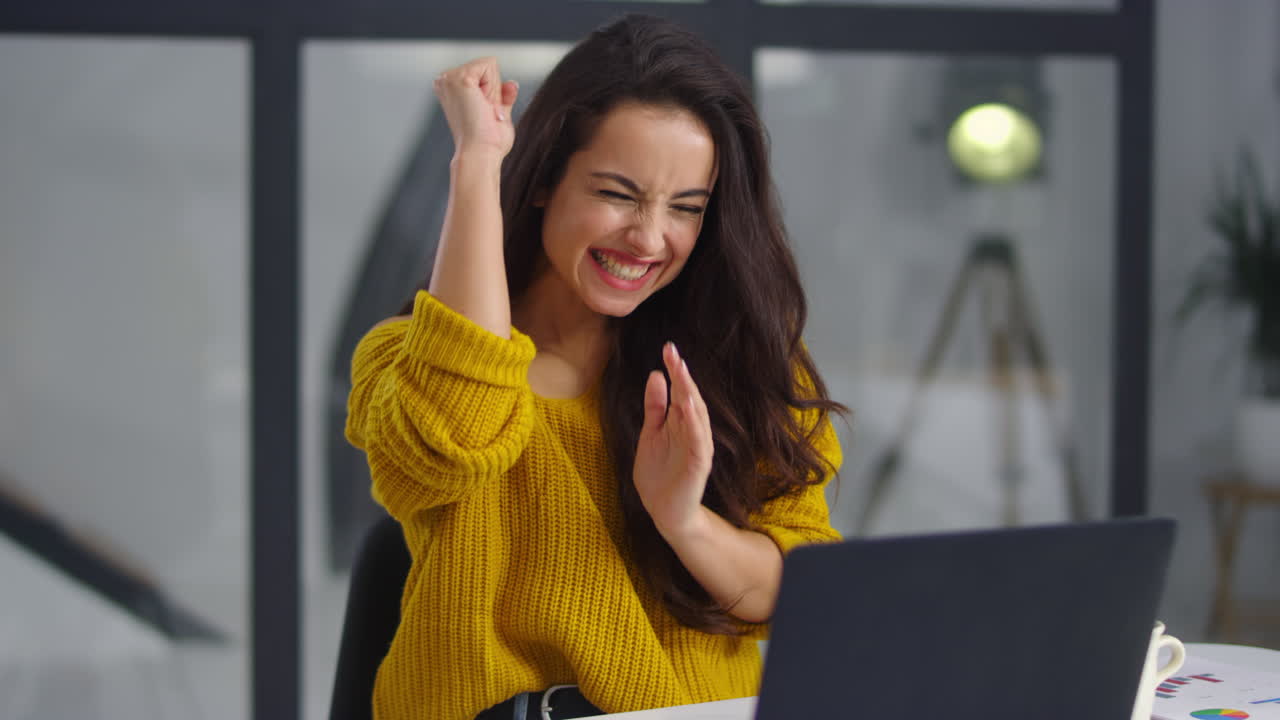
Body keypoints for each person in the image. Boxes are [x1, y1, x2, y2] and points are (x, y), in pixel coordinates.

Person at [345, 13, 846, 720]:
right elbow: (449, 439)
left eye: (686, 208)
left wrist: (684, 521)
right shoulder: (405, 357)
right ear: (545, 177)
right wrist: (479, 165)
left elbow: (791, 596)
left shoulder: (743, 367)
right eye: (616, 194)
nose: (648, 238)